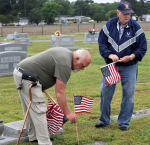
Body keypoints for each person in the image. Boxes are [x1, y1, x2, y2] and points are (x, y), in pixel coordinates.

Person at [13, 47, 91, 145]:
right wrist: (68, 113)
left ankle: (34, 137)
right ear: (77, 59)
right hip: (28, 78)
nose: (82, 69)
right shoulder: (65, 64)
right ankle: (44, 142)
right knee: (39, 110)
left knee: (30, 110)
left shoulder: (67, 54)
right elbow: (60, 92)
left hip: (22, 73)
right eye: (83, 65)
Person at [95, 1, 147, 131]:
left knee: (128, 94)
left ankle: (124, 122)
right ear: (118, 12)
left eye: (129, 13)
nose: (127, 16)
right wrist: (109, 54)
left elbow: (142, 48)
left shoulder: (136, 27)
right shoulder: (109, 25)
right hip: (110, 65)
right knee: (104, 91)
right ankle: (104, 120)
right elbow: (101, 42)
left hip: (129, 66)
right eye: (124, 13)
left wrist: (131, 57)